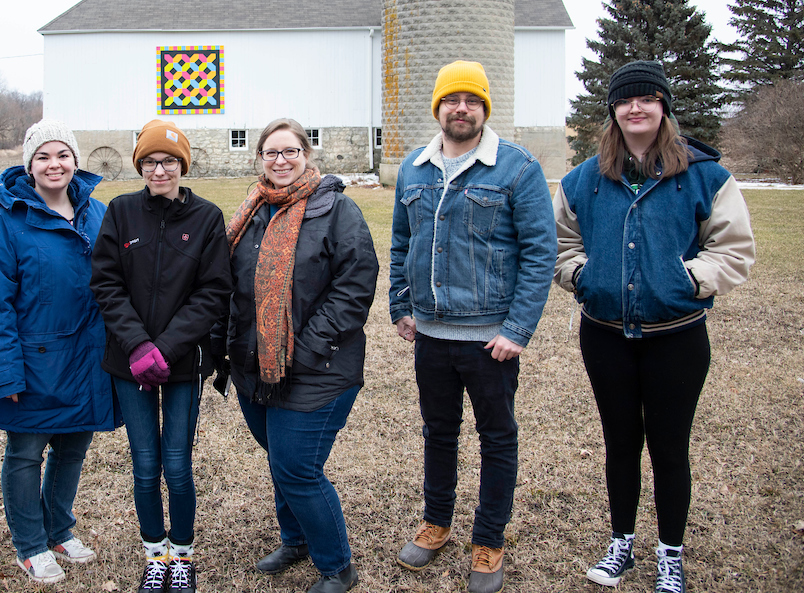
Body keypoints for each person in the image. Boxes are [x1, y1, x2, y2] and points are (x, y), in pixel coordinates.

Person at [554, 61, 754, 593]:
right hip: (604, 335)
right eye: (625, 101)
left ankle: (670, 552)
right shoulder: (584, 180)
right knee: (620, 442)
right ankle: (622, 543)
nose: (635, 108)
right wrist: (583, 275)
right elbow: (560, 244)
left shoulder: (705, 175)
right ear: (613, 112)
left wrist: (686, 279)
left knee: (669, 446)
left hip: (678, 339)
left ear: (663, 106)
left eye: (646, 99)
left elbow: (732, 250)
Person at [390, 61, 556, 593]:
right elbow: (401, 244)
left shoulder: (517, 168)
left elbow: (540, 252)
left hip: (491, 342)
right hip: (433, 337)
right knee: (438, 433)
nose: (461, 109)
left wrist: (517, 329)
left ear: (485, 108)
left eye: (473, 101)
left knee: (496, 438)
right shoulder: (413, 168)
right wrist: (401, 305)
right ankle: (437, 522)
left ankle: (488, 540)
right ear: (437, 107)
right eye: (451, 100)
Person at [221, 118, 378, 593]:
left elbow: (355, 288)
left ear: (306, 155)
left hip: (317, 368)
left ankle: (337, 566)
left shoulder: (337, 211)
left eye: (290, 151)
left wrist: (305, 348)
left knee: (297, 467)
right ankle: (296, 540)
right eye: (271, 152)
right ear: (260, 159)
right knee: (280, 461)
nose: (280, 161)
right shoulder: (250, 211)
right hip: (254, 367)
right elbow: (230, 287)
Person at [0, 120, 120, 585]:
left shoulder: (98, 214)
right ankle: (30, 545)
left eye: (62, 155)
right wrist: (5, 375)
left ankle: (59, 529)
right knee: (26, 453)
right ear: (29, 165)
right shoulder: (8, 224)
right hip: (34, 361)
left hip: (89, 358)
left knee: (73, 449)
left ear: (76, 160)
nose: (53, 164)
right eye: (43, 157)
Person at [90, 120, 233, 593]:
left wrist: (166, 348)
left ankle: (182, 555)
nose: (159, 170)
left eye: (168, 161)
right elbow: (106, 285)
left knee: (177, 464)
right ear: (139, 165)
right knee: (145, 463)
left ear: (182, 165)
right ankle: (155, 554)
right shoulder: (121, 212)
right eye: (150, 161)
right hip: (128, 363)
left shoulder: (207, 218)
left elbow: (213, 291)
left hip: (183, 363)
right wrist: (137, 345)